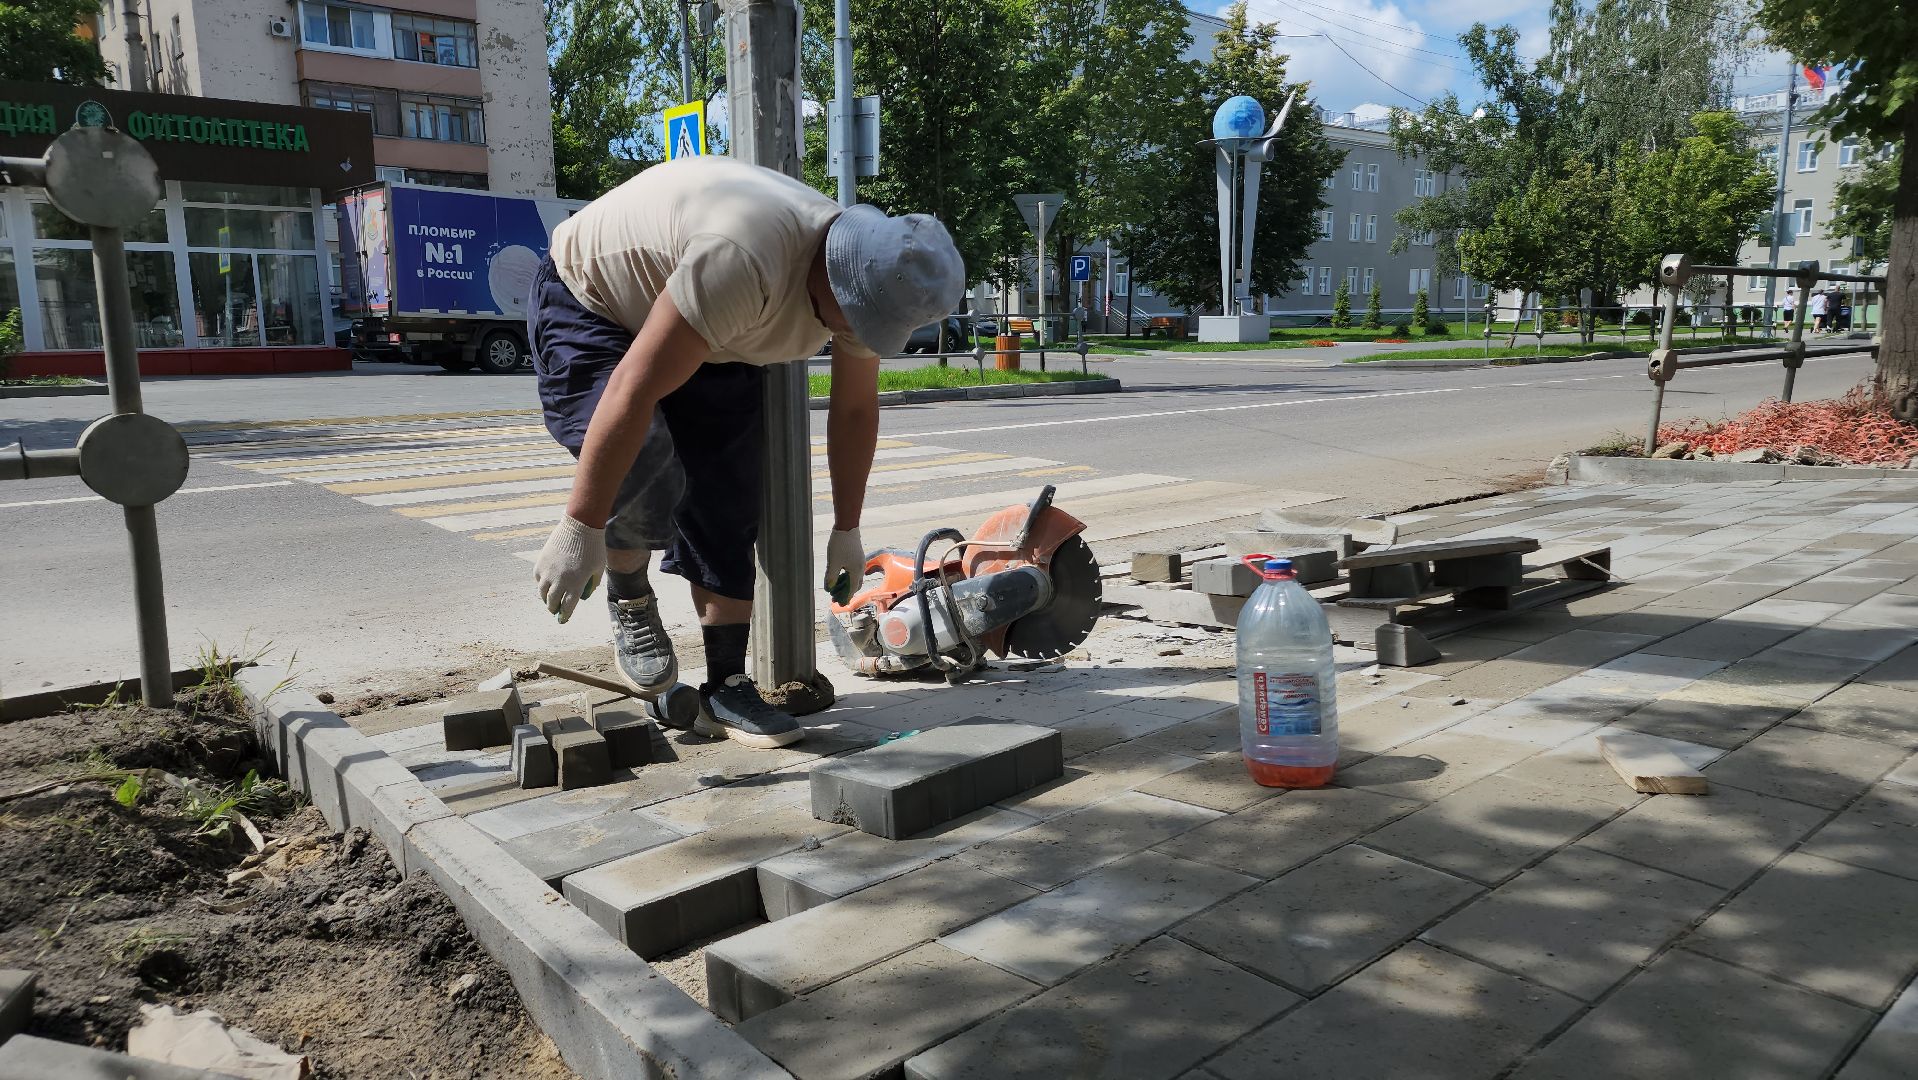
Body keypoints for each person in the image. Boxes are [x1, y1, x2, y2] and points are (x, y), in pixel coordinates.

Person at [527, 156, 964, 748]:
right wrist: (582, 524)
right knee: (645, 457)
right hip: (596, 300)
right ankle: (629, 594)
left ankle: (728, 681)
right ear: (838, 278)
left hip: (712, 325)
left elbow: (856, 410)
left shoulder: (874, 275)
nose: (856, 335)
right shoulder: (744, 258)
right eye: (858, 320)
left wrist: (848, 529)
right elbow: (633, 386)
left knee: (729, 492)